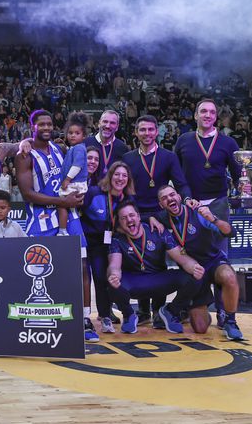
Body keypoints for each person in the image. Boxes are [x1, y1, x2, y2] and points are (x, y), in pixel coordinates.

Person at [14, 110, 92, 340]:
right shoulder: (24, 155)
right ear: (33, 127)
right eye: (41, 124)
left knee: (82, 265)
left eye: (50, 123)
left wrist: (76, 196)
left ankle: (85, 318)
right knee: (41, 271)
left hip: (69, 213)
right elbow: (28, 194)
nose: (46, 127)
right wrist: (63, 201)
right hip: (41, 218)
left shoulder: (60, 148)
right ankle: (43, 317)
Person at [172, 98, 243, 328]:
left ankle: (224, 313)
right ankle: (188, 302)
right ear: (195, 115)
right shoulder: (183, 141)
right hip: (190, 206)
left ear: (216, 117)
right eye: (203, 111)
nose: (208, 115)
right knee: (188, 253)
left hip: (218, 206)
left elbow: (239, 174)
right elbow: (176, 173)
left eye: (212, 112)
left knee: (220, 258)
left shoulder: (228, 143)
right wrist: (184, 200)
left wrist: (245, 186)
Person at [122, 115, 190, 324]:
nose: (147, 134)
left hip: (160, 217)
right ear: (136, 133)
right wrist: (135, 216)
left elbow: (181, 184)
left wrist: (188, 200)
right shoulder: (128, 158)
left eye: (151, 130)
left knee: (158, 260)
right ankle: (142, 310)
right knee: (138, 261)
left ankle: (159, 310)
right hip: (135, 215)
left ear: (156, 132)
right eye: (142, 130)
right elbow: (125, 191)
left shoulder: (168, 156)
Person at [153, 185, 243, 340]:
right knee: (200, 328)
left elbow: (230, 232)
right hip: (193, 271)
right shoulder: (162, 218)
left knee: (229, 276)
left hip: (213, 262)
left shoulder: (198, 212)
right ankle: (190, 307)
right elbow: (143, 216)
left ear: (179, 197)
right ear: (161, 205)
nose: (169, 199)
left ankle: (231, 321)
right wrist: (152, 218)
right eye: (164, 198)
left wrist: (213, 219)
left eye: (172, 195)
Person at [107, 201, 204, 334]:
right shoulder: (118, 239)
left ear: (139, 216)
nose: (129, 220)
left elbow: (181, 257)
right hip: (135, 282)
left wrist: (195, 267)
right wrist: (114, 275)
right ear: (120, 222)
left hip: (159, 279)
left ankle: (171, 312)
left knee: (195, 277)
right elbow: (114, 265)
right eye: (124, 218)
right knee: (112, 283)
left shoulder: (158, 231)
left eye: (131, 215)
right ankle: (129, 315)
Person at [81, 162, 135, 334]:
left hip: (107, 243)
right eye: (117, 174)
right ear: (110, 176)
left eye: (124, 176)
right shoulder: (94, 193)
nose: (120, 178)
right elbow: (76, 210)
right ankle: (82, 317)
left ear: (128, 180)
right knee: (83, 279)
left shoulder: (127, 200)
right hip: (86, 241)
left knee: (101, 278)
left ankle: (105, 315)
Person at [58, 112, 90, 236]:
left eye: (77, 133)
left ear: (84, 136)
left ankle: (62, 230)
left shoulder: (79, 148)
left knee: (61, 204)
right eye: (70, 133)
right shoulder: (74, 148)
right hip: (76, 184)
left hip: (74, 183)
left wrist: (67, 179)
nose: (73, 136)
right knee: (69, 207)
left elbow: (77, 166)